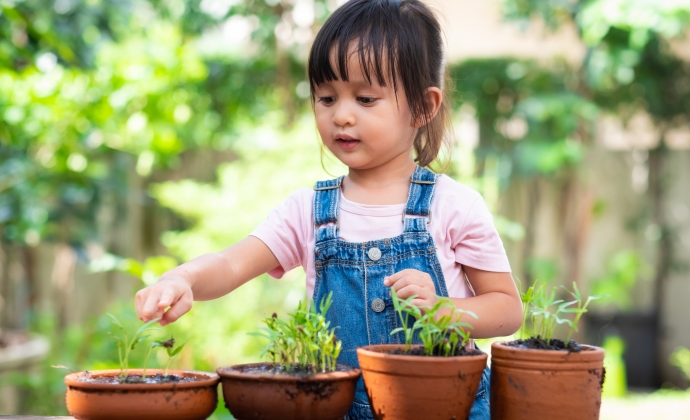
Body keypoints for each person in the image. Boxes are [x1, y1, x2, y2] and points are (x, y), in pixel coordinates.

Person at [136, 1, 523, 418]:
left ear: (424, 107)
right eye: (326, 97)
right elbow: (231, 265)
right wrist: (183, 279)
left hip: (446, 409)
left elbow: (506, 309)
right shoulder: (308, 211)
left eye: (365, 98)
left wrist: (444, 310)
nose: (341, 115)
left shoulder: (454, 206)